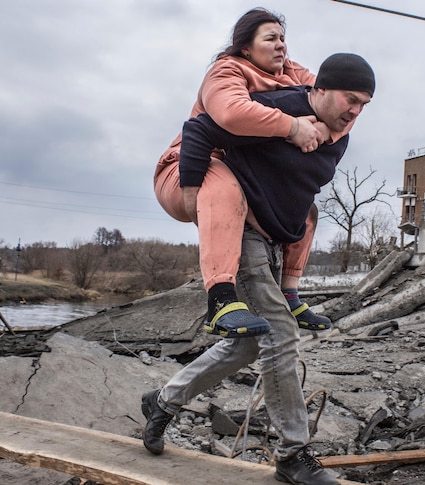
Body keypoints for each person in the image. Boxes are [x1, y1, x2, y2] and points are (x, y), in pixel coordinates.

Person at [142, 53, 375, 485]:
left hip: (271, 242)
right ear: (320, 90)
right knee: (281, 335)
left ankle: (163, 400)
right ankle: (292, 454)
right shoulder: (283, 108)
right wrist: (194, 192)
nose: (356, 111)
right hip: (241, 231)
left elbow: (297, 190)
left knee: (251, 344)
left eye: (364, 104)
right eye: (350, 98)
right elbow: (200, 128)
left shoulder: (338, 133)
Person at [153, 8, 335, 339]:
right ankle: (221, 300)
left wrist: (325, 124)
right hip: (188, 170)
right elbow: (231, 113)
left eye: (283, 38)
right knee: (221, 178)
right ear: (246, 48)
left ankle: (291, 294)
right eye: (271, 38)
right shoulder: (226, 71)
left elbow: (335, 100)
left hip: (241, 181)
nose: (281, 45)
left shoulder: (291, 73)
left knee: (306, 211)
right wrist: (293, 126)